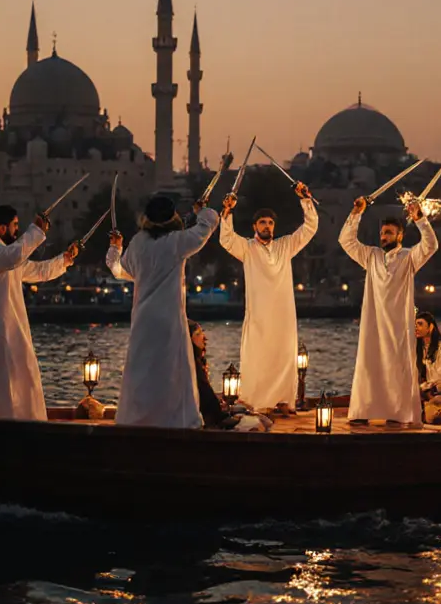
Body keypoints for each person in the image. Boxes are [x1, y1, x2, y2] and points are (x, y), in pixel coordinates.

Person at [106, 193, 219, 428]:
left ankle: (138, 418)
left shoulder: (137, 243)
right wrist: (201, 210)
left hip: (143, 319)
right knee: (172, 370)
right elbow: (209, 224)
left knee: (143, 370)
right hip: (168, 318)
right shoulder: (177, 242)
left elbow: (119, 271)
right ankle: (174, 420)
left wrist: (115, 249)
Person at [219, 182, 318, 409]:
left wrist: (305, 199)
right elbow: (226, 239)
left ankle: (284, 401)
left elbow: (310, 228)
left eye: (271, 223)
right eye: (263, 222)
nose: (267, 226)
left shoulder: (286, 246)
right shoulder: (246, 248)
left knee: (284, 355)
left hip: (283, 313)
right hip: (258, 315)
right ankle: (255, 401)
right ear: (254, 226)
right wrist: (228, 211)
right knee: (257, 356)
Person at [0, 205, 78, 420]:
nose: (17, 231)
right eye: (15, 226)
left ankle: (24, 420)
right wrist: (36, 231)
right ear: (2, 229)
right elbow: (14, 255)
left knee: (23, 375)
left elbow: (37, 271)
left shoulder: (6, 253)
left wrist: (64, 260)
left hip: (14, 326)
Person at [340, 197, 438, 425]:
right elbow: (346, 241)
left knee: (397, 367)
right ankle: (363, 410)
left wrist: (420, 219)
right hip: (373, 322)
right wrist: (356, 213)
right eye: (382, 233)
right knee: (369, 363)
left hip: (398, 324)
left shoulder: (409, 257)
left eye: (389, 233)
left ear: (400, 236)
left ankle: (398, 413)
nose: (384, 237)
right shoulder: (371, 255)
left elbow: (431, 245)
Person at [188, 320, 229, 427]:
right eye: (198, 334)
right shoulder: (192, 365)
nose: (204, 338)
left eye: (202, 332)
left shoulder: (197, 361)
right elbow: (206, 397)